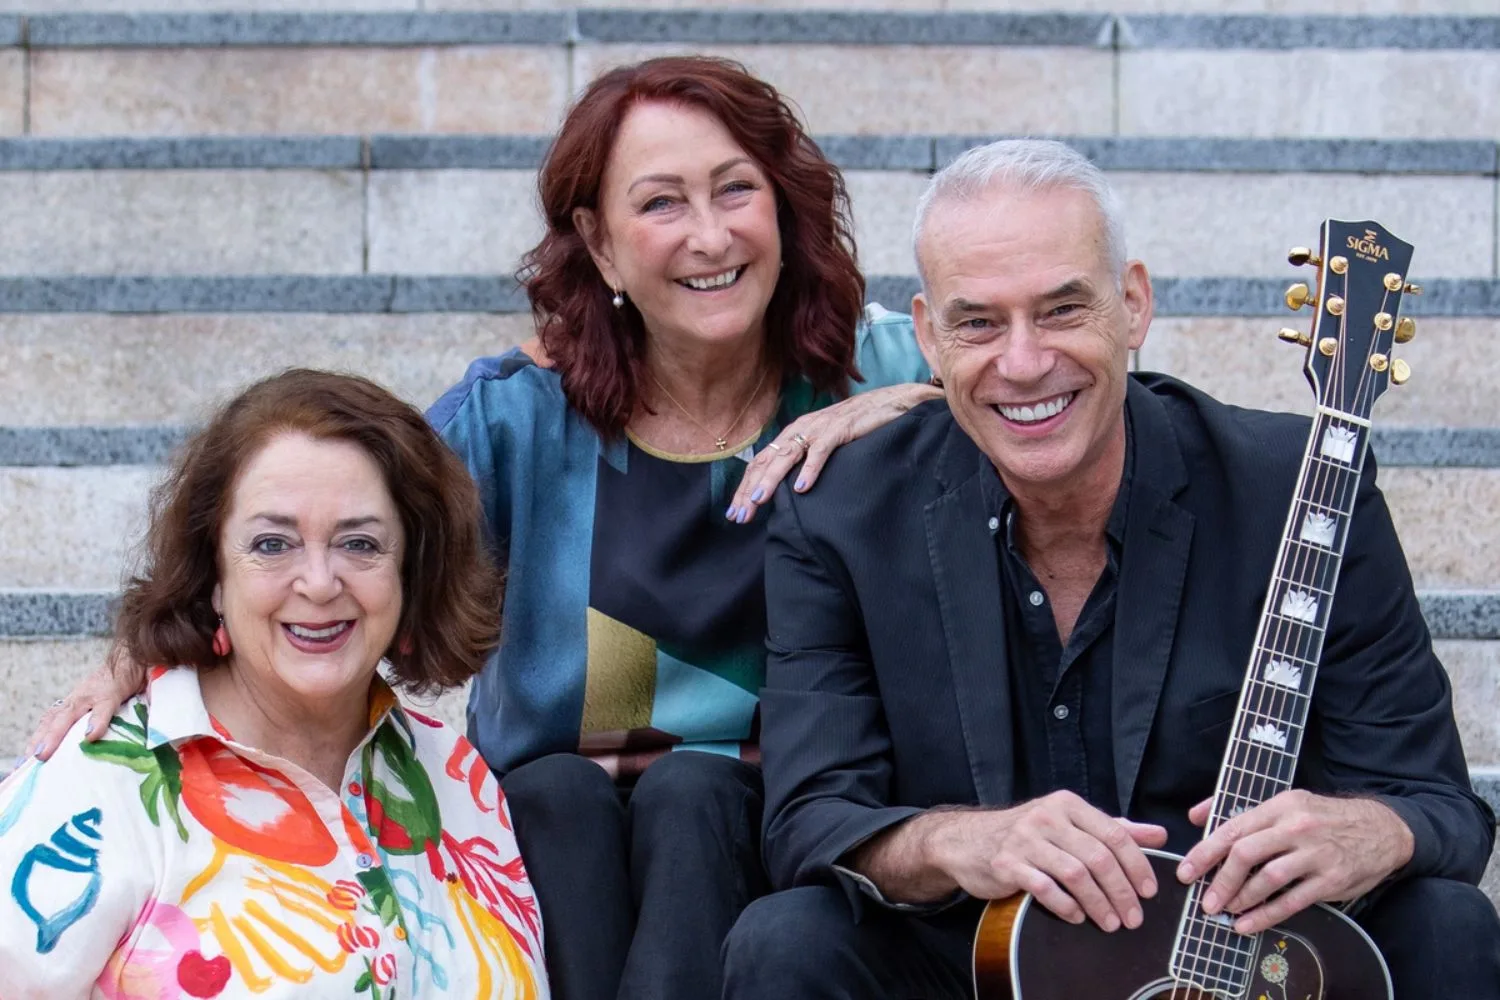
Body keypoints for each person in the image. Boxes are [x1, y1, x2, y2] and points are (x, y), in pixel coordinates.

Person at [30, 57, 935, 1000]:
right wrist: (157, 653)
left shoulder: (869, 371)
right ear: (601, 242)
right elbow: (334, 530)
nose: (709, 236)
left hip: (772, 835)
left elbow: (1050, 375)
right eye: (662, 204)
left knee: (692, 790)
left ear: (782, 207)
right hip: (551, 836)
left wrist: (918, 404)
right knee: (556, 791)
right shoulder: (520, 416)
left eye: (735, 190)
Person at [721, 140, 1500, 999]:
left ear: (1133, 305)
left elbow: (1440, 807)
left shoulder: (1293, 487)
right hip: (981, 962)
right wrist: (960, 842)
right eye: (978, 322)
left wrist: (1368, 832)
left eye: (1061, 311)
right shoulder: (841, 516)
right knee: (786, 940)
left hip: (1236, 963)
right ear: (928, 337)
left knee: (1446, 923)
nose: (1023, 362)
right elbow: (808, 820)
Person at [0, 369, 548, 999]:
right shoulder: (100, 780)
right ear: (213, 575)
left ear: (410, 572)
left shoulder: (455, 778)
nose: (318, 582)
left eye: (360, 543)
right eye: (272, 543)